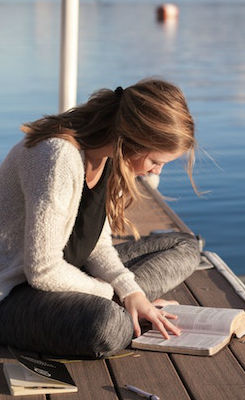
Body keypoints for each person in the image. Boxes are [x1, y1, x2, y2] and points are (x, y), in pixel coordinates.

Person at [0, 78, 201, 358]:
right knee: (107, 326)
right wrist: (110, 292)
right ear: (130, 140)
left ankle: (131, 307)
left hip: (70, 274)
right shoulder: (57, 157)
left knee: (185, 247)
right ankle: (123, 312)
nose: (157, 172)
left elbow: (97, 245)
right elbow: (42, 270)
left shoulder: (108, 158)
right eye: (155, 161)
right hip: (14, 294)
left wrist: (131, 292)